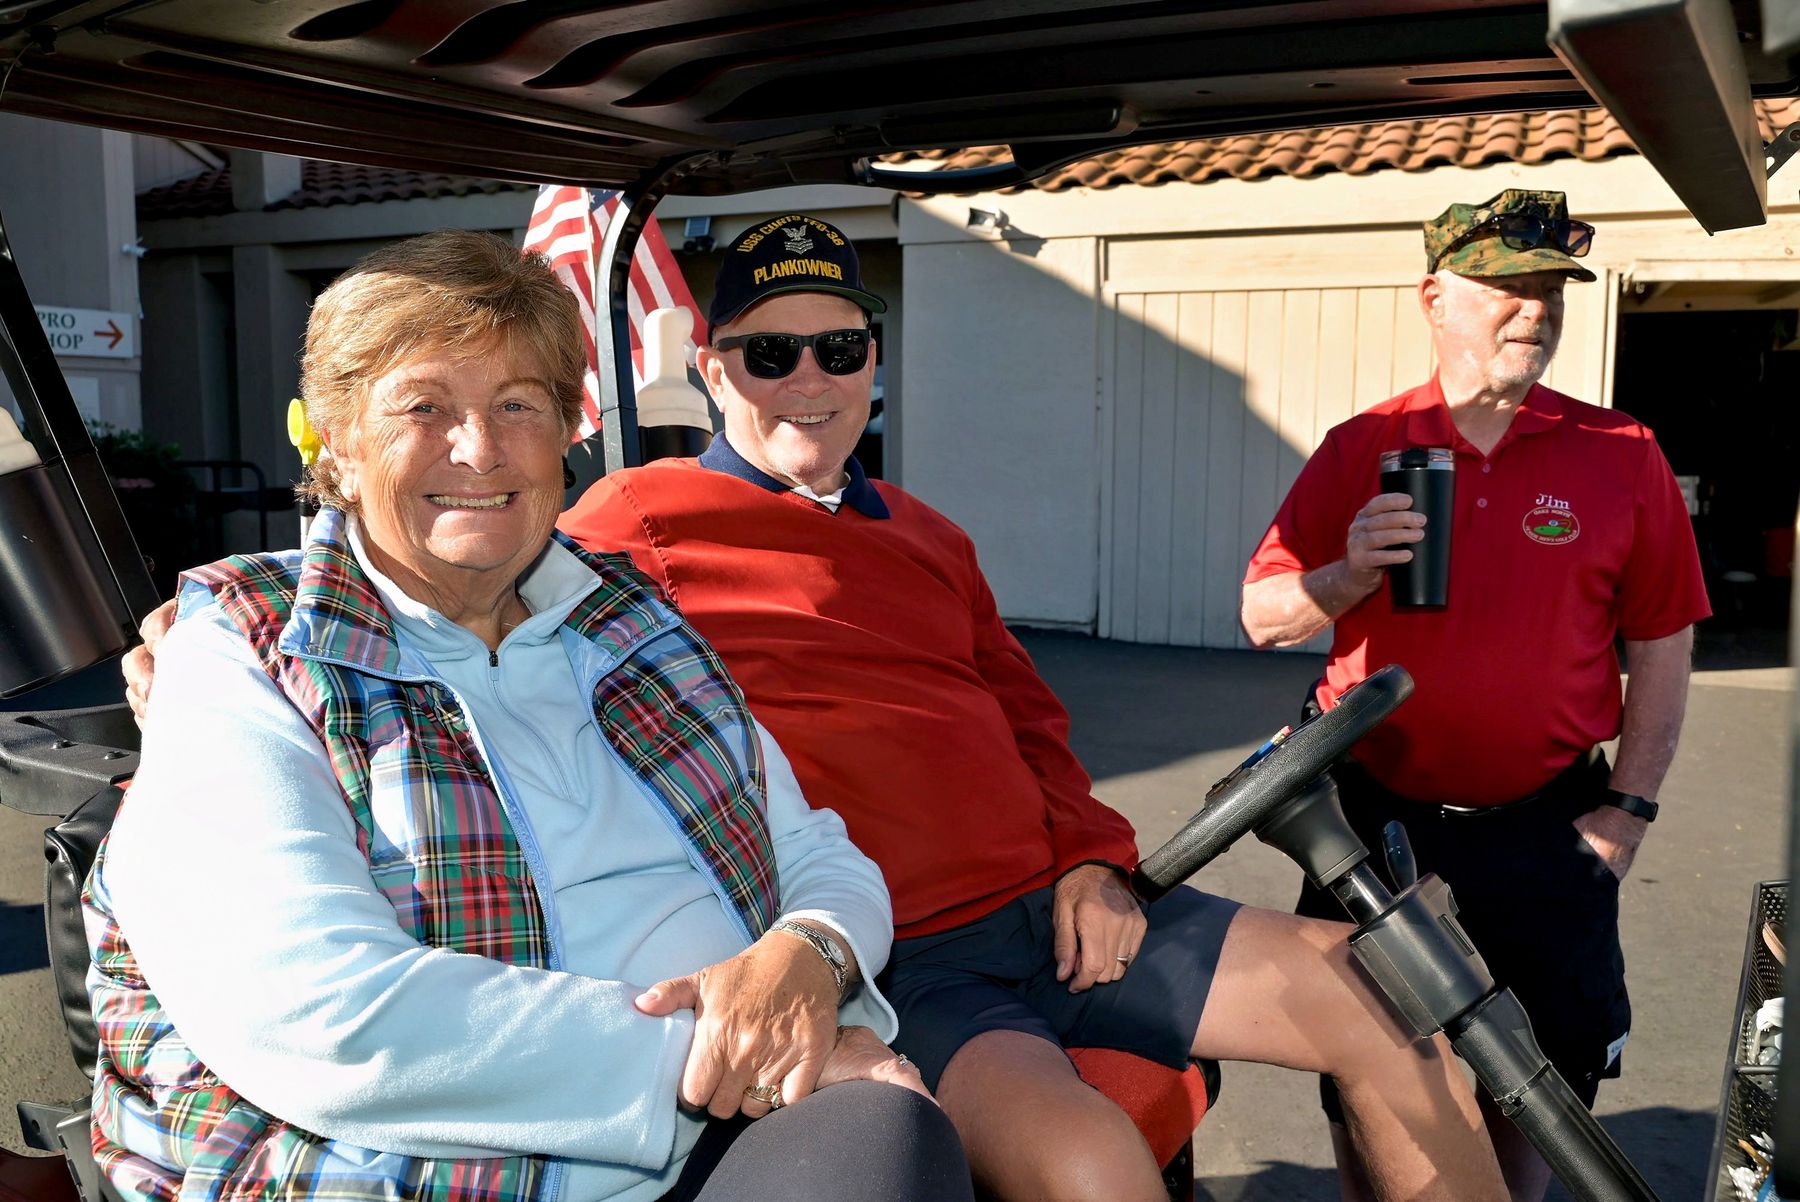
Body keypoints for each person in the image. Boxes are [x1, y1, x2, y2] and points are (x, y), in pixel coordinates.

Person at [129, 216, 1507, 1202]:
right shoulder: (629, 528)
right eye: (768, 352)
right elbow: (448, 551)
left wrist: (1092, 854)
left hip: (1049, 908)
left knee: (1391, 992)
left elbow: (1030, 722)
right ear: (713, 368)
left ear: (874, 363)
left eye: (838, 347)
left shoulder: (929, 533)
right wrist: (201, 626)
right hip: (920, 961)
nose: (807, 379)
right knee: (1087, 1159)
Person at [93, 229, 971, 1202]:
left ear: (563, 433)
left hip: (739, 1124)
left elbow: (814, 848)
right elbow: (322, 1017)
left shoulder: (631, 620)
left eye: (519, 404)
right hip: (432, 1168)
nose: (479, 448)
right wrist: (740, 1046)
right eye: (424, 406)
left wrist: (812, 950)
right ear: (336, 438)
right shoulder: (249, 647)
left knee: (893, 1139)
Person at [1240, 189, 1709, 1202]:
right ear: (1435, 298)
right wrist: (1347, 574)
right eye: (1505, 285)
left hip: (1547, 822)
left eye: (1550, 289)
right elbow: (1262, 616)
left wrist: (1625, 813)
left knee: (1542, 1070)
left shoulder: (1621, 452)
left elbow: (1664, 641)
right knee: (1368, 1061)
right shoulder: (1362, 445)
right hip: (1370, 825)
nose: (1534, 308)